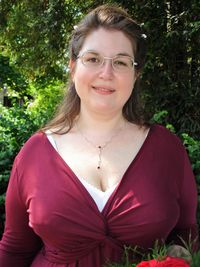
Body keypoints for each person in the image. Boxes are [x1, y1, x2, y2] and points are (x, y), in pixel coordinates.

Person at [0, 4, 198, 267]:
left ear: (135, 74)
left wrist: (180, 254)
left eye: (120, 62)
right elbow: (15, 249)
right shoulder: (34, 153)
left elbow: (187, 232)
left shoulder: (167, 149)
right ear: (72, 67)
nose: (106, 74)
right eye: (93, 59)